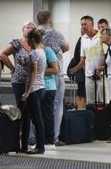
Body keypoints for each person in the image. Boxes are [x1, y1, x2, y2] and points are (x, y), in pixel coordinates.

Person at [36, 11, 69, 147]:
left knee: (37, 107)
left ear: (38, 21)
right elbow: (66, 47)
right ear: (49, 20)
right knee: (56, 106)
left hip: (38, 75)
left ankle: (36, 136)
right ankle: (54, 136)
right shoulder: (56, 34)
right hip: (56, 74)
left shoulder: (34, 34)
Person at [69, 16, 107, 105]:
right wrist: (75, 69)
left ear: (92, 24)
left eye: (85, 24)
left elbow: (107, 57)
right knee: (90, 104)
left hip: (102, 76)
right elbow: (83, 59)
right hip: (89, 76)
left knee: (104, 102)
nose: (83, 26)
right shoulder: (83, 39)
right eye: (82, 24)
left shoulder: (101, 36)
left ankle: (105, 119)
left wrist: (101, 69)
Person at [21, 29, 46, 155]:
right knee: (25, 117)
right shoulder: (42, 51)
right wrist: (25, 64)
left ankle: (40, 147)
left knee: (37, 119)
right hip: (41, 87)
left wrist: (27, 92)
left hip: (34, 90)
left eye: (28, 40)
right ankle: (24, 145)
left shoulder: (33, 53)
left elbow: (32, 74)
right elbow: (34, 69)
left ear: (31, 40)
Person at [1, 21, 37, 110]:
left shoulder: (36, 44)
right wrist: (12, 68)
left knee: (31, 109)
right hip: (19, 81)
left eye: (32, 28)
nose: (30, 29)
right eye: (28, 27)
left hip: (34, 82)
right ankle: (20, 124)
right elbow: (3, 54)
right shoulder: (17, 43)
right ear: (23, 29)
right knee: (22, 108)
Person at [67, 28, 86, 110]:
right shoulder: (82, 41)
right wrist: (75, 69)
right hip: (82, 72)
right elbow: (81, 59)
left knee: (82, 92)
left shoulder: (81, 41)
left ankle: (81, 111)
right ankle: (80, 111)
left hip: (82, 72)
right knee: (81, 92)